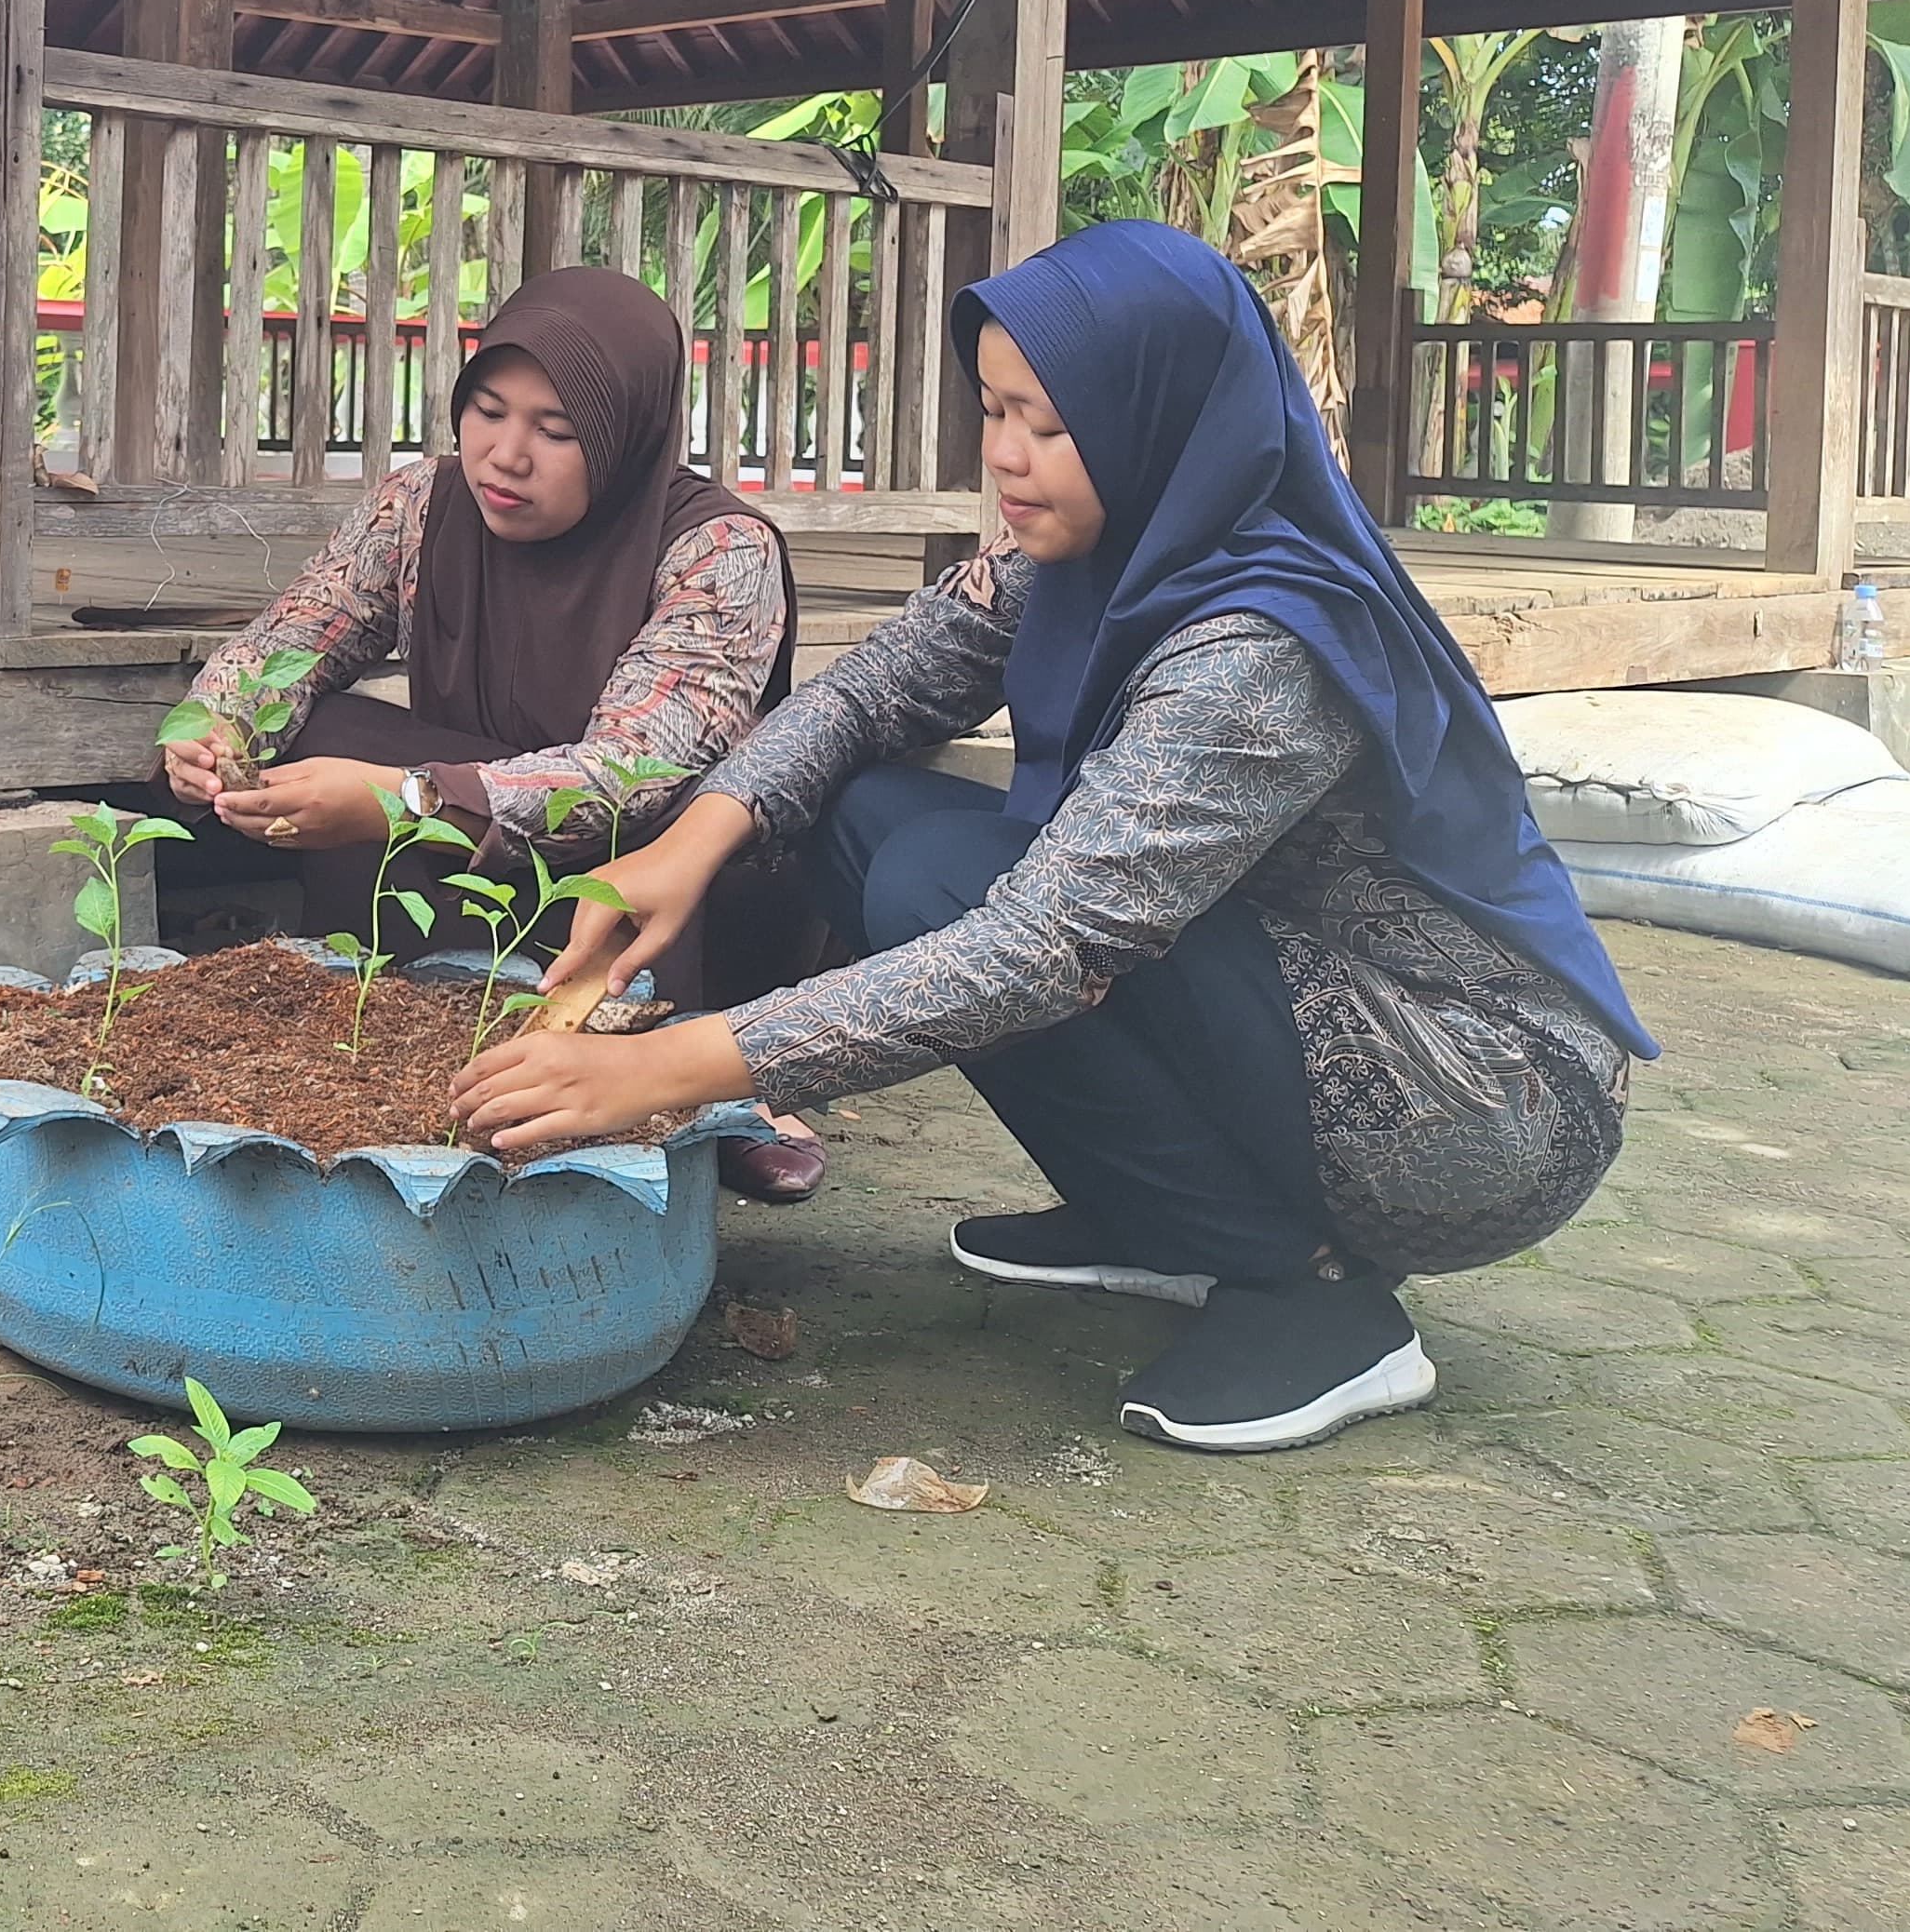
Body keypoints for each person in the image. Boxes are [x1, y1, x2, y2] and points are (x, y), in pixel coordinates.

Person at [452, 221, 1649, 1454]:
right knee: (864, 819)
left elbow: (1040, 947)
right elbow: (868, 697)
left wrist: (656, 1073)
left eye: (1051, 425)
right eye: (995, 412)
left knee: (948, 884)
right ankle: (1160, 1220)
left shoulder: (1258, 649)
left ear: (1158, 414)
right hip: (1296, 991)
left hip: (1477, 1104)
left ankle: (1315, 1297)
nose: (1009, 461)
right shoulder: (1096, 547)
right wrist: (686, 845)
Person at [157, 267, 813, 1195]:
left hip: (651, 885)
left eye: (556, 431)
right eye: (489, 410)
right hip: (476, 848)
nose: (506, 454)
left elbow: (631, 772)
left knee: (664, 815)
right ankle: (374, 1019)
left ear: (626, 434)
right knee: (319, 729)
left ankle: (703, 1082)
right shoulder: (425, 502)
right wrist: (219, 728)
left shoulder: (717, 549)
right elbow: (292, 640)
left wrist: (407, 799)